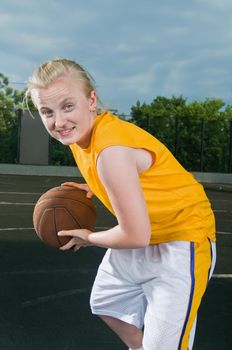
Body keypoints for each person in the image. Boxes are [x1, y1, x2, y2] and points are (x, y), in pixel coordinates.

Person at [26, 58, 216, 350]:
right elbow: (133, 174)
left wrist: (88, 237)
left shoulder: (110, 150)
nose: (59, 122)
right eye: (47, 112)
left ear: (91, 100)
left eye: (67, 106)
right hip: (149, 230)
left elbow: (135, 236)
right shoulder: (81, 136)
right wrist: (101, 185)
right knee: (105, 301)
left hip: (182, 238)